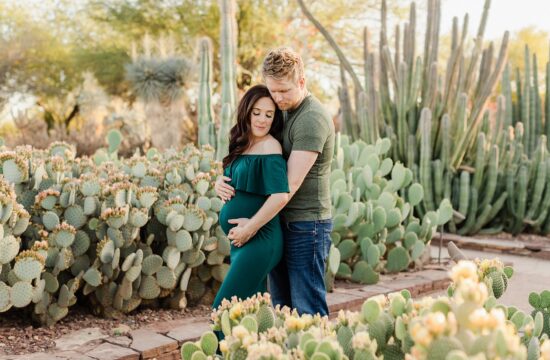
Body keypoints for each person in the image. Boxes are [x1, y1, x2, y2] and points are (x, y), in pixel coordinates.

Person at [215, 47, 335, 316]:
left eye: (284, 91)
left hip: (306, 225)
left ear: (301, 82)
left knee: (308, 310)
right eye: (273, 90)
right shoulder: (279, 109)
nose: (277, 98)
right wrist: (221, 180)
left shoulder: (311, 119)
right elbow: (255, 155)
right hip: (276, 222)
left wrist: (251, 228)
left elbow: (288, 186)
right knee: (281, 310)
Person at [212, 84, 290, 311]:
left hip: (260, 239)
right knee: (253, 311)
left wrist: (250, 228)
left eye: (269, 114)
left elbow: (280, 196)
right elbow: (234, 180)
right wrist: (219, 183)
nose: (262, 120)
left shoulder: (270, 147)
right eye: (256, 112)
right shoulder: (243, 143)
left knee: (224, 308)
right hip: (242, 241)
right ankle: (263, 347)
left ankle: (217, 347)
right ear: (246, 111)